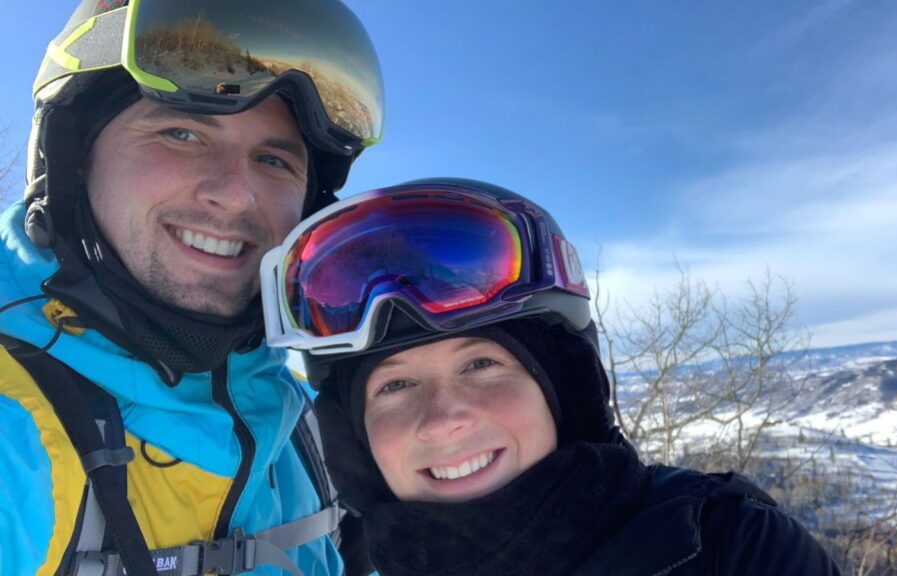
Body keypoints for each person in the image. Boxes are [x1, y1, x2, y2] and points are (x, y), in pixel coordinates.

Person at [261, 178, 844, 575]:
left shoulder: (727, 548)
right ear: (354, 435)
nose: (442, 421)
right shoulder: (334, 562)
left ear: (561, 391)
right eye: (395, 385)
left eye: (481, 365)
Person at [0, 1, 383, 575]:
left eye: (274, 159)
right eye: (181, 133)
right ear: (73, 160)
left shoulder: (302, 418)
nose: (236, 195)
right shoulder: (15, 424)